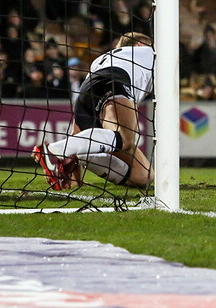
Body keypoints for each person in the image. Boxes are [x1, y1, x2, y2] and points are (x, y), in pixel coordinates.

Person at [33, 32, 155, 191]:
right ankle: (55, 151)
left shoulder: (102, 59)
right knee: (126, 139)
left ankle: (75, 154)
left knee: (144, 176)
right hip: (117, 79)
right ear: (140, 45)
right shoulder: (151, 53)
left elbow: (77, 133)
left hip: (89, 87)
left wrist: (75, 182)